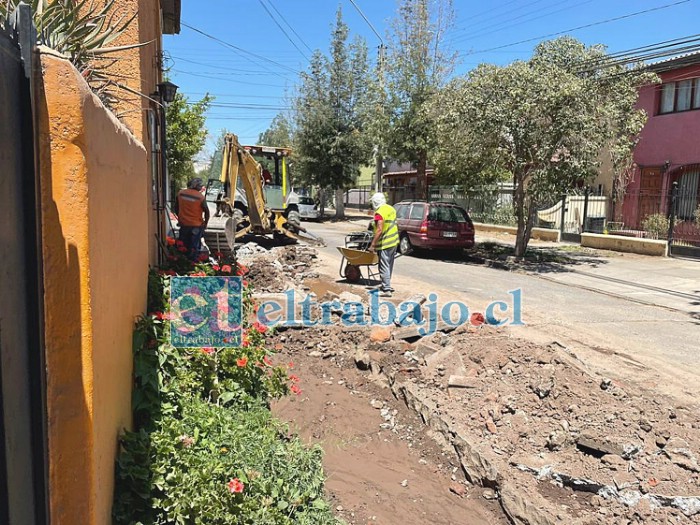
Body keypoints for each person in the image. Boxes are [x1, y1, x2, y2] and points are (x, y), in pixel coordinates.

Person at [368, 192, 399, 297]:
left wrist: (372, 245)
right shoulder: (391, 209)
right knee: (389, 265)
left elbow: (379, 229)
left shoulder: (378, 213)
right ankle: (386, 285)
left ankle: (386, 289)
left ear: (375, 202)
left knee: (383, 265)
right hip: (394, 241)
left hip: (385, 242)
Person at [175, 177, 210, 260]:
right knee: (194, 247)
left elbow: (176, 208)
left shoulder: (180, 194)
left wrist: (180, 217)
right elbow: (207, 212)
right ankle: (193, 264)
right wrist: (205, 223)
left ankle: (182, 262)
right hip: (196, 225)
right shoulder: (200, 197)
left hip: (184, 224)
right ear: (198, 186)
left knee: (182, 245)